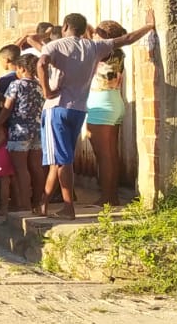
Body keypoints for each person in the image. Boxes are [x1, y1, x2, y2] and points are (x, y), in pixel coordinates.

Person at [38, 12, 155, 218]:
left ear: (65, 26)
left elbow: (42, 62)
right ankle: (109, 196)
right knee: (107, 154)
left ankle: (81, 202)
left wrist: (46, 90)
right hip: (99, 104)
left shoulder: (66, 47)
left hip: (83, 105)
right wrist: (148, 27)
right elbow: (127, 39)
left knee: (73, 158)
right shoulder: (102, 49)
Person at [87, 20, 130, 207]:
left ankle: (107, 197)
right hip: (114, 100)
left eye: (97, 33)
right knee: (111, 153)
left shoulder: (101, 51)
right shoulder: (118, 52)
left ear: (103, 36)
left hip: (100, 103)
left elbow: (87, 39)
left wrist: (87, 27)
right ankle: (112, 196)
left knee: (103, 155)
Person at [0, 53, 45, 215]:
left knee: (20, 169)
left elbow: (7, 108)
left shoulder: (16, 85)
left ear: (22, 68)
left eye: (18, 68)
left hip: (19, 131)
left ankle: (24, 203)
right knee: (36, 167)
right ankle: (38, 202)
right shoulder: (40, 85)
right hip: (38, 130)